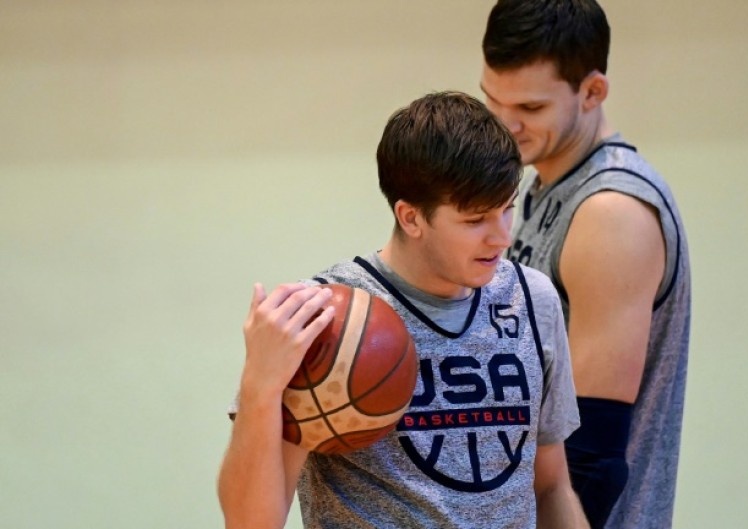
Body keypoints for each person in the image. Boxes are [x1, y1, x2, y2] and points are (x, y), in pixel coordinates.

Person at [217, 91, 589, 529]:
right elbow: (249, 522)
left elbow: (550, 487)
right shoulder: (326, 318)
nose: (501, 237)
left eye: (507, 210)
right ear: (410, 217)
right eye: (475, 221)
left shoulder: (532, 299)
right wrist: (260, 384)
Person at [480, 2, 692, 528]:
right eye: (493, 101)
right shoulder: (546, 182)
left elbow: (589, 460)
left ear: (593, 92)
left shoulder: (610, 212)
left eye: (529, 108)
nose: (506, 126)